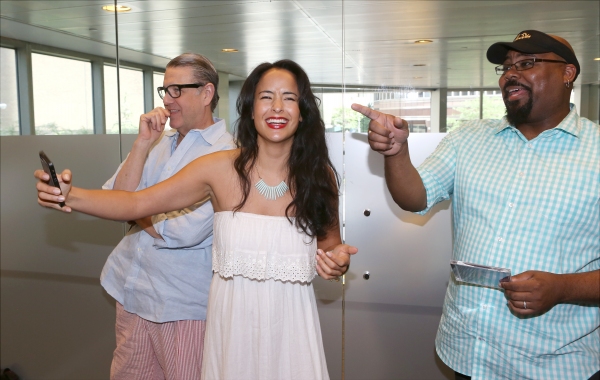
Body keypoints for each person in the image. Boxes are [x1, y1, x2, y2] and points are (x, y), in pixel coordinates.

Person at [36, 59, 357, 380]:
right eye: (265, 97)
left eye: (289, 98)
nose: (277, 107)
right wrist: (71, 195)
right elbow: (136, 202)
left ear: (302, 111)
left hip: (292, 333)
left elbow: (332, 250)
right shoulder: (219, 168)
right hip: (231, 334)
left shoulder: (319, 177)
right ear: (249, 108)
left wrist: (337, 263)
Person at [352, 30, 599, 380]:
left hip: (554, 365)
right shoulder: (469, 137)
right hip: (468, 353)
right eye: (506, 67)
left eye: (527, 63)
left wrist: (562, 288)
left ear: (568, 73)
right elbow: (414, 196)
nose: (511, 73)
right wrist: (396, 152)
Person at [103, 53, 235, 379]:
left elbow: (179, 232)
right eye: (164, 90)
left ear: (206, 93)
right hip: (132, 291)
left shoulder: (226, 154)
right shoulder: (158, 140)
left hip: (180, 305)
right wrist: (141, 144)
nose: (167, 100)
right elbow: (114, 198)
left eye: (177, 90)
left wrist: (133, 210)